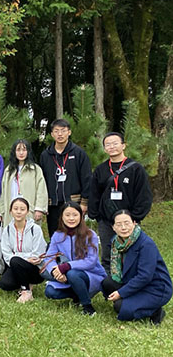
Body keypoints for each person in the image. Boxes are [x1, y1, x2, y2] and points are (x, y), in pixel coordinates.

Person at [88, 132, 153, 272]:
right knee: (107, 254)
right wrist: (97, 215)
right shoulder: (100, 170)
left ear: (123, 145)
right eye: (108, 144)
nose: (112, 147)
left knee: (132, 252)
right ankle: (109, 281)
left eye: (115, 143)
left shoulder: (136, 168)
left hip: (129, 220)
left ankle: (131, 280)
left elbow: (144, 195)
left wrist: (136, 217)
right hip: (106, 220)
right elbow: (94, 194)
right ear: (104, 148)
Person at [101, 210, 171, 324]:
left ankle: (155, 311)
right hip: (132, 281)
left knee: (120, 307)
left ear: (134, 223)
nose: (123, 227)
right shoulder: (116, 242)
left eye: (127, 223)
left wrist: (121, 293)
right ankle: (133, 300)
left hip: (155, 288)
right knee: (107, 283)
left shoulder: (146, 244)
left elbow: (145, 276)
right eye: (119, 224)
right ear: (113, 227)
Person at [42, 202, 106, 316]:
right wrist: (55, 271)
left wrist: (67, 266)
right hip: (67, 275)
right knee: (50, 292)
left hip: (89, 274)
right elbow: (49, 257)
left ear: (81, 216)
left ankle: (87, 306)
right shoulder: (57, 235)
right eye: (67, 215)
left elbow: (91, 261)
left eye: (75, 215)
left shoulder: (90, 235)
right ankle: (78, 295)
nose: (71, 218)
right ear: (62, 217)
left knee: (72, 273)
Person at [39, 119, 91, 237]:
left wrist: (84, 203)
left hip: (74, 202)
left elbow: (86, 178)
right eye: (56, 131)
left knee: (75, 236)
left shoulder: (79, 153)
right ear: (52, 134)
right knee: (55, 235)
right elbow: (42, 181)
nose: (60, 134)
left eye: (63, 131)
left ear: (69, 132)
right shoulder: (45, 155)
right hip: (53, 204)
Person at [0, 197, 47, 303]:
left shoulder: (35, 229)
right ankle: (24, 283)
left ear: (27, 212)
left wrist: (18, 257)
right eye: (15, 209)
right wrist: (24, 258)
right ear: (11, 211)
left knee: (15, 260)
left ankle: (26, 291)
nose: (19, 212)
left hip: (35, 268)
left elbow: (37, 254)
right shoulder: (7, 230)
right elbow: (6, 254)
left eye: (22, 209)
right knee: (5, 284)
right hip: (16, 265)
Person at [0, 139, 48, 226]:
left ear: (28, 151)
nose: (21, 153)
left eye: (24, 150)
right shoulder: (8, 170)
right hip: (11, 211)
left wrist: (39, 208)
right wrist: (1, 211)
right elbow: (3, 192)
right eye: (18, 150)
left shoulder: (35, 170)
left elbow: (41, 190)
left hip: (29, 211)